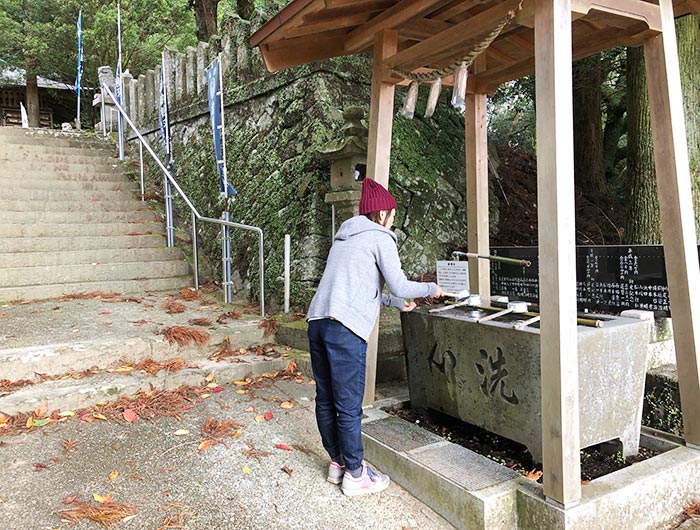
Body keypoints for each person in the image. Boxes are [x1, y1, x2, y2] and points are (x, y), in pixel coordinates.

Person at [306, 178, 443, 496]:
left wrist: (396, 304)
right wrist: (431, 290)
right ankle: (356, 474)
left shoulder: (344, 238)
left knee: (326, 400)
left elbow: (365, 290)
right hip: (344, 330)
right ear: (381, 214)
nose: (392, 219)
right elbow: (401, 284)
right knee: (349, 405)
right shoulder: (381, 238)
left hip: (317, 322)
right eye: (391, 214)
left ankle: (338, 462)